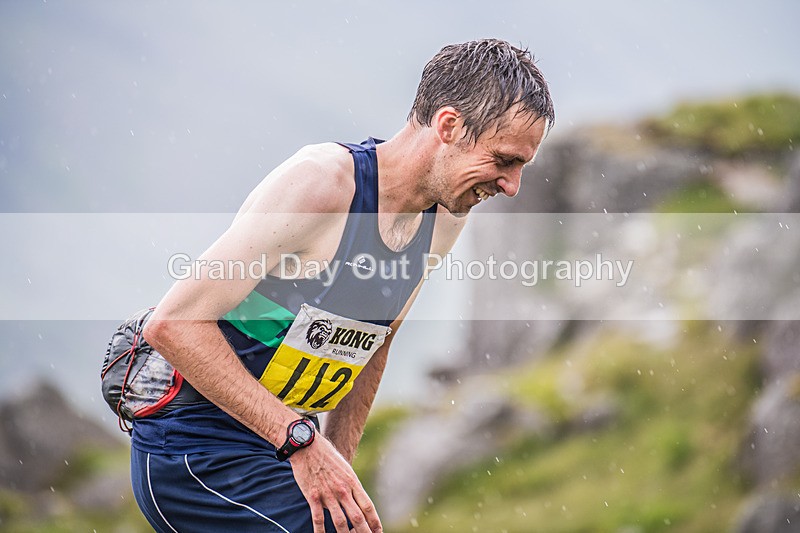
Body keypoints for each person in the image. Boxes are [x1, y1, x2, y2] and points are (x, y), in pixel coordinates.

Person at [131, 38, 554, 533]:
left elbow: (377, 340)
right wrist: (303, 443)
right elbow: (173, 325)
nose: (512, 186)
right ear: (449, 126)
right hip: (192, 450)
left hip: (276, 446)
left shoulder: (445, 217)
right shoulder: (322, 186)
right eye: (504, 160)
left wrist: (338, 467)